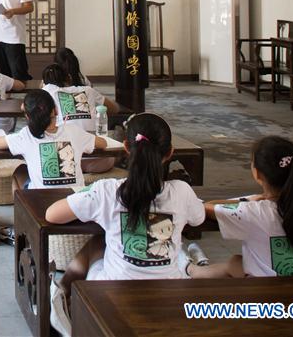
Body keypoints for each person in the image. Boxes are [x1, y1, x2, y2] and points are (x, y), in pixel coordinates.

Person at [43, 114, 205, 336]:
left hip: (110, 295)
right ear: (169, 153)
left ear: (127, 147)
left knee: (97, 244)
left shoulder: (108, 191)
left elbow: (52, 215)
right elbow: (198, 219)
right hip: (170, 294)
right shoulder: (182, 192)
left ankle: (63, 296)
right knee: (181, 255)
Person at [188, 136, 293, 278]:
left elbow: (206, 207)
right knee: (236, 262)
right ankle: (197, 267)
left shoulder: (253, 211)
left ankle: (191, 270)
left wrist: (248, 200)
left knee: (233, 263)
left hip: (264, 293)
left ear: (257, 174)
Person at [0, 90, 109, 192]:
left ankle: (23, 212)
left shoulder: (26, 135)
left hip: (41, 200)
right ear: (56, 110)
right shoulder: (74, 131)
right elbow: (103, 143)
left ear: (27, 116)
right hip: (75, 199)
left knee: (20, 171)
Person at [42, 64, 119, 132]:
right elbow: (115, 109)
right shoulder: (88, 90)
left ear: (44, 83)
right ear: (69, 78)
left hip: (65, 139)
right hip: (93, 137)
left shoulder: (48, 91)